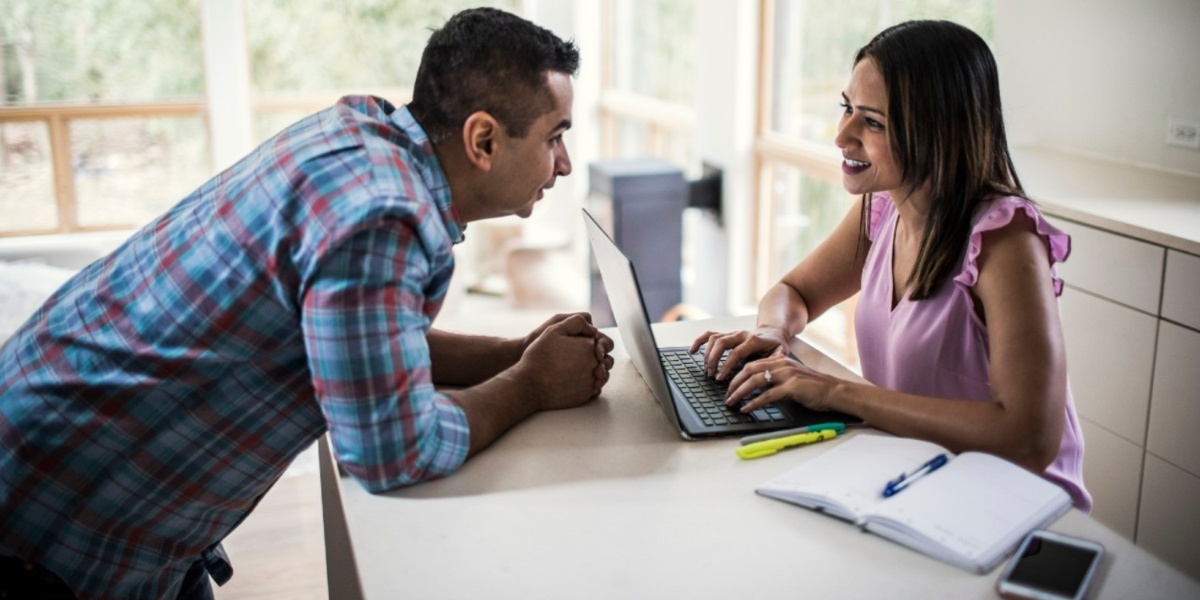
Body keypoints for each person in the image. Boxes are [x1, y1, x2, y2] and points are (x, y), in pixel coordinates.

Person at [0, 7, 613, 600]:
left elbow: (360, 340)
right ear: (483, 139)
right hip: (55, 516)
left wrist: (511, 354)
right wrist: (529, 385)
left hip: (83, 460)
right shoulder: (382, 215)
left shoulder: (361, 134)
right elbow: (393, 450)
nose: (562, 163)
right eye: (554, 136)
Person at [691, 20, 1090, 511]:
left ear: (939, 132)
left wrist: (839, 392)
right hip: (922, 478)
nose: (842, 135)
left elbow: (1029, 438)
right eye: (847, 108)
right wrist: (774, 332)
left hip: (1013, 507)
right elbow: (793, 291)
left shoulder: (1005, 241)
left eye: (872, 122)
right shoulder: (882, 209)